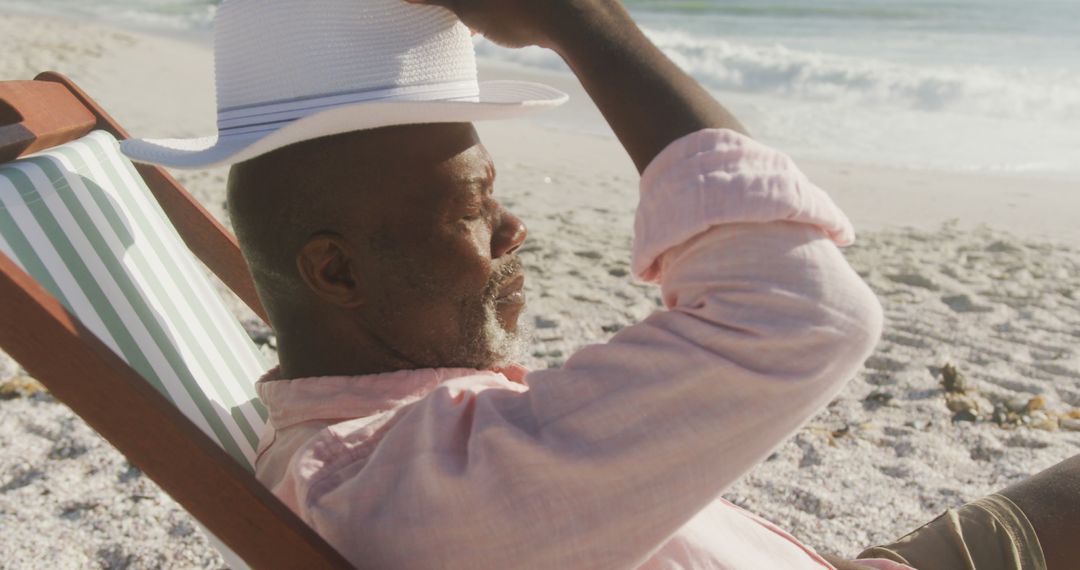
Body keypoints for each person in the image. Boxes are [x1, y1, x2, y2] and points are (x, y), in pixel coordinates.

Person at [219, 0, 1079, 569]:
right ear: (335, 272)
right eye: (477, 207)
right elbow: (804, 312)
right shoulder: (405, 486)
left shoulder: (386, 452)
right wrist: (582, 22)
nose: (514, 229)